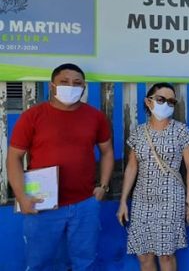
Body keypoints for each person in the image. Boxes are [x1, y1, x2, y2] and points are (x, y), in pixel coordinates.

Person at [7, 63, 114, 271]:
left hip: (85, 205)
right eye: (64, 82)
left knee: (85, 263)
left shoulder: (95, 117)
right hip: (41, 204)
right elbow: (13, 158)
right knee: (40, 264)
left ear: (83, 87)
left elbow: (107, 152)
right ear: (52, 86)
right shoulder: (32, 116)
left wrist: (103, 186)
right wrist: (22, 196)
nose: (71, 86)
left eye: (77, 83)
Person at [116, 83, 189, 271]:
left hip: (170, 198)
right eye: (161, 99)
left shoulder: (181, 131)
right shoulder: (138, 132)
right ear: (148, 101)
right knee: (144, 255)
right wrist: (123, 202)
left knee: (166, 254)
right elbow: (131, 167)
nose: (166, 104)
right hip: (142, 199)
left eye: (171, 101)